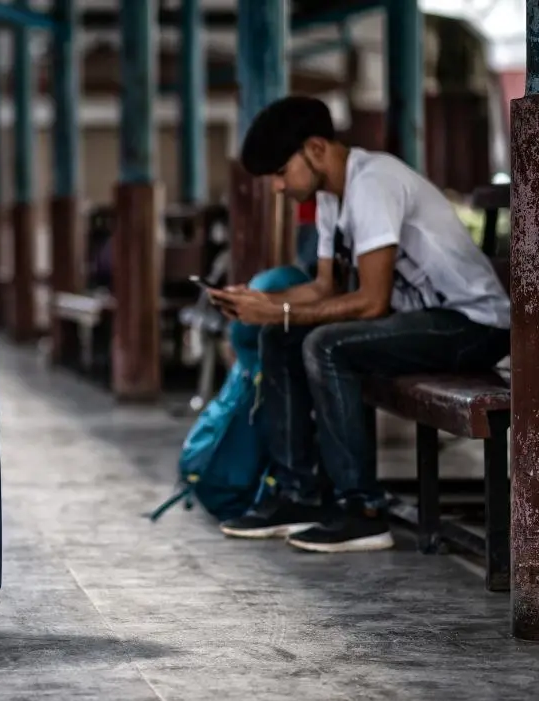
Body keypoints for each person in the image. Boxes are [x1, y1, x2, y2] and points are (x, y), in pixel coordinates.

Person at [207, 96, 511, 553]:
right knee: (279, 337)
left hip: (473, 326)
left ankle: (362, 509)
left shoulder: (373, 182)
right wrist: (261, 303)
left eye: (280, 172)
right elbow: (325, 288)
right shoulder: (333, 194)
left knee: (325, 346)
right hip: (422, 322)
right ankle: (299, 495)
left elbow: (370, 303)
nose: (277, 187)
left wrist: (282, 310)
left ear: (314, 149)